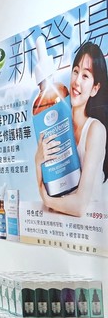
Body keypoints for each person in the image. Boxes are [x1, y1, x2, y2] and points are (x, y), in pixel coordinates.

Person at [35, 41, 108, 216]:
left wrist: (48, 201)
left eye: (85, 75)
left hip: (88, 227)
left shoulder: (95, 130)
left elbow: (80, 206)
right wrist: (38, 161)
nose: (76, 81)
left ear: (95, 88)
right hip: (58, 225)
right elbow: (48, 186)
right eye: (75, 71)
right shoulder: (56, 125)